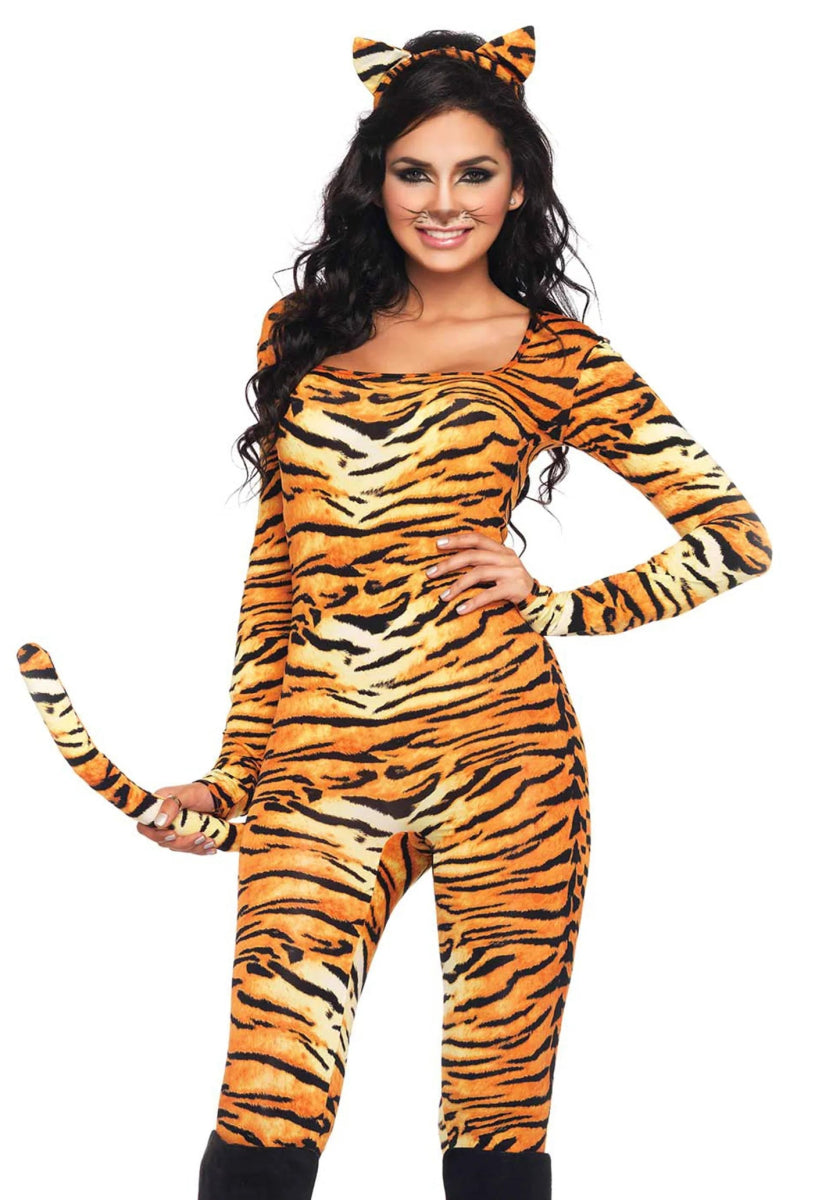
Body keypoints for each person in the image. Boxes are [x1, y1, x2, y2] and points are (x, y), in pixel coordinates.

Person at [139, 26, 772, 1200]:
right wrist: (233, 777)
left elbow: (735, 539)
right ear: (373, 181)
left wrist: (562, 603)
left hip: (508, 761)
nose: (443, 203)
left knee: (496, 1112)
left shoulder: (558, 355)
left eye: (474, 173)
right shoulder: (303, 332)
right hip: (320, 760)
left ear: (516, 185)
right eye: (413, 172)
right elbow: (276, 578)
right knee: (266, 1104)